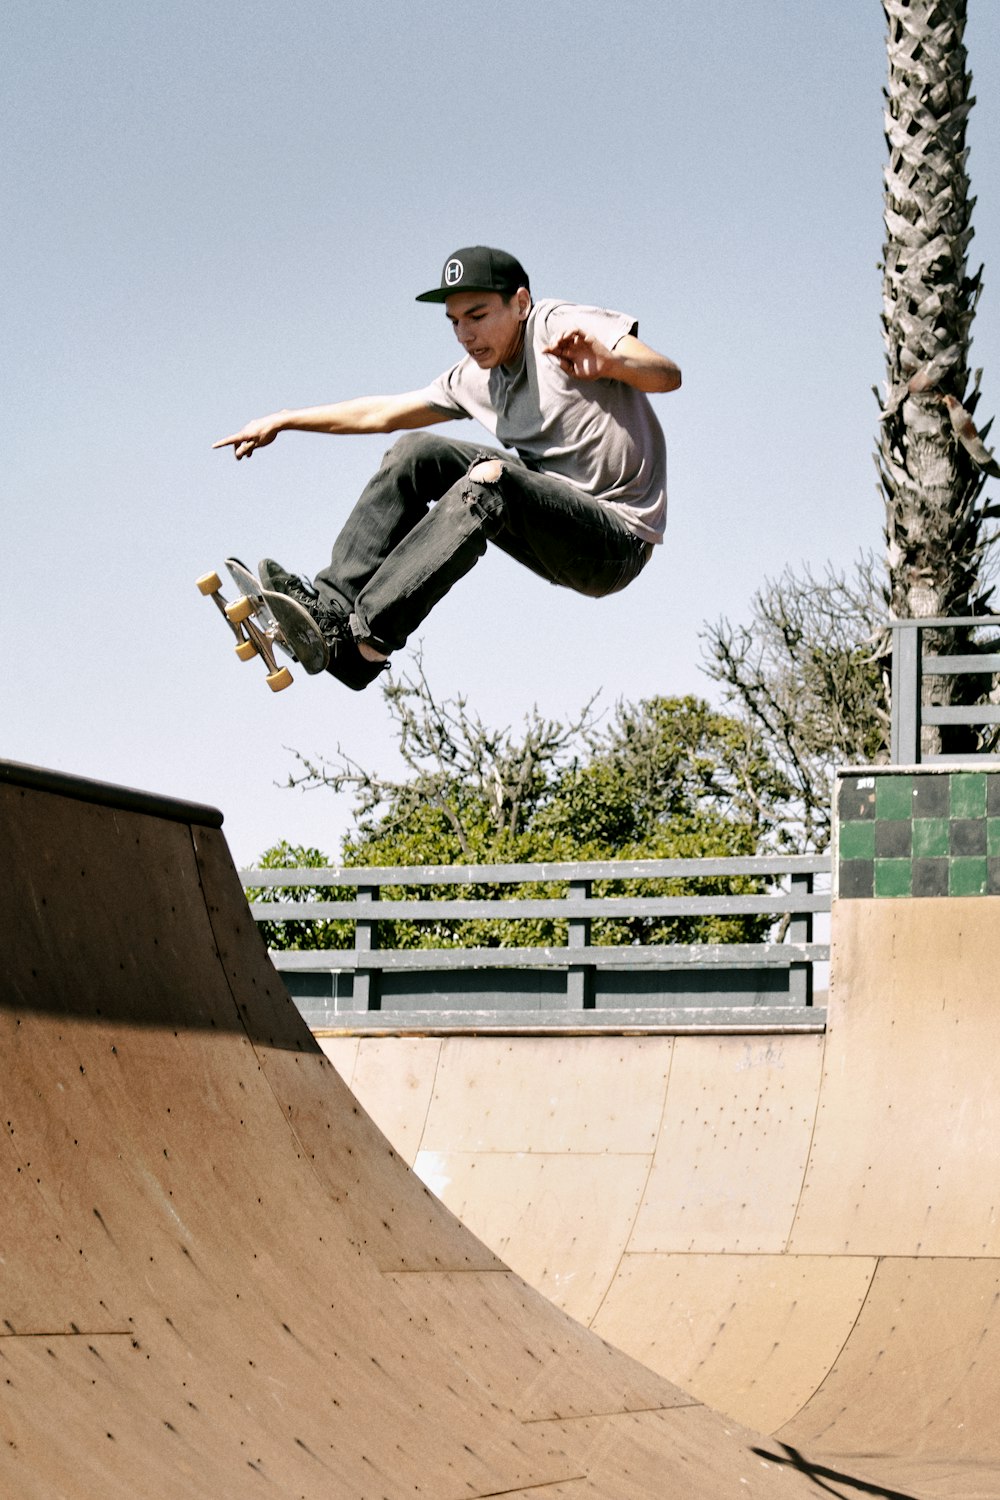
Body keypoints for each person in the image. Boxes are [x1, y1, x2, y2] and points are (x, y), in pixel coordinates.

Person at [214, 246, 681, 690]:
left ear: (520, 303)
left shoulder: (555, 325)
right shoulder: (473, 379)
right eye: (455, 322)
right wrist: (285, 419)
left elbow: (666, 374)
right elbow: (382, 414)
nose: (465, 335)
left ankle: (367, 644)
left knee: (488, 482)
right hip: (548, 525)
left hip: (616, 541)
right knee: (415, 451)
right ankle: (330, 614)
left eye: (477, 316)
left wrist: (614, 361)